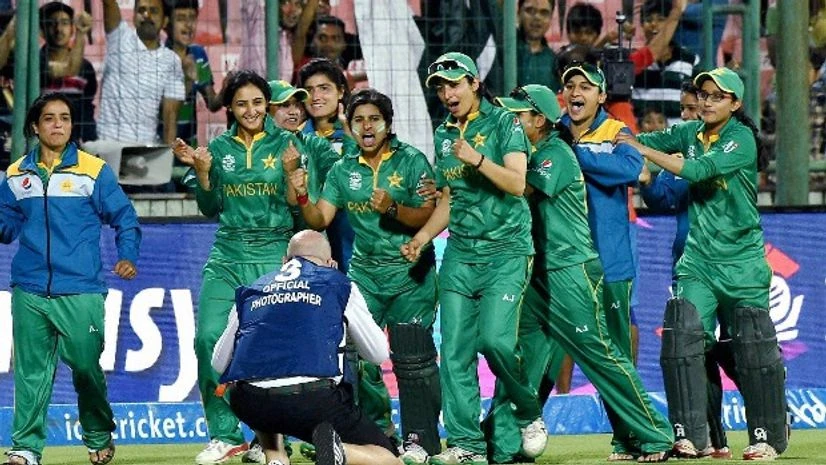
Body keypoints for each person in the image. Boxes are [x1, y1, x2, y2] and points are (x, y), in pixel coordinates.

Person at [484, 84, 673, 464]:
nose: (508, 121)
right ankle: (502, 443)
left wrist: (478, 165)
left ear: (539, 120)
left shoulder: (554, 154)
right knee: (520, 358)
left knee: (601, 355)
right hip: (536, 271)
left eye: (516, 115)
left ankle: (654, 433)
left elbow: (519, 190)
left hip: (570, 270)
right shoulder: (528, 151)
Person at [617, 67, 788, 461]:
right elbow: (646, 139)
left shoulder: (740, 139)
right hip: (697, 261)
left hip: (742, 263)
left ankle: (768, 436)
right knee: (681, 341)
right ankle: (691, 437)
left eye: (716, 96)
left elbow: (699, 170)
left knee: (752, 349)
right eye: (704, 95)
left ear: (736, 103)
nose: (707, 102)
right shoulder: (690, 133)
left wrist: (645, 153)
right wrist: (624, 140)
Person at [401, 52, 547, 465]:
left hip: (507, 250)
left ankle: (527, 410)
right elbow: (450, 196)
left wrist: (477, 159)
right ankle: (467, 445)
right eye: (441, 87)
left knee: (495, 342)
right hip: (462, 254)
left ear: (475, 83)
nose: (448, 93)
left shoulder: (505, 123)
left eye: (455, 83)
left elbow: (518, 183)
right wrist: (423, 236)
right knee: (455, 352)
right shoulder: (445, 133)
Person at [289, 88, 441, 464]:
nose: (366, 126)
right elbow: (320, 220)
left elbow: (428, 213)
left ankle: (421, 440)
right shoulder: (343, 169)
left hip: (410, 273)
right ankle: (378, 434)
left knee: (414, 360)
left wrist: (392, 209)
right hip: (366, 275)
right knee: (360, 360)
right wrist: (303, 196)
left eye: (374, 119)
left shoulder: (411, 161)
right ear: (350, 126)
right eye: (359, 120)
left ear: (388, 124)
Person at [0, 92, 141, 465]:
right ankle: (26, 448)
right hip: (29, 288)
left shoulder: (93, 170)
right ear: (35, 126)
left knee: (85, 365)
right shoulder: (17, 174)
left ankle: (96, 432)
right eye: (49, 118)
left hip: (80, 289)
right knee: (31, 375)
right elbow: (8, 227)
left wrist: (127, 255)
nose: (58, 124)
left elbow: (124, 218)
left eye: (64, 118)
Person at [173, 70, 300, 465]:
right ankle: (226, 435)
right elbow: (210, 208)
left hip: (273, 254)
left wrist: (294, 173)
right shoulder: (218, 148)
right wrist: (203, 172)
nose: (251, 110)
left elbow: (300, 207)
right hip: (227, 254)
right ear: (229, 107)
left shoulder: (289, 146)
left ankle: (271, 441)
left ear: (268, 105)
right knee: (208, 338)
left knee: (269, 351)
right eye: (242, 103)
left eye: (258, 102)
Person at [212, 230, 402, 465]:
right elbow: (377, 354)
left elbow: (218, 363)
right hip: (314, 401)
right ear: (331, 264)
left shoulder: (252, 289)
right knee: (389, 459)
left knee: (259, 374)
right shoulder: (339, 284)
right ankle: (340, 452)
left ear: (284, 262)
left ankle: (275, 456)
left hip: (250, 402)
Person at [639, 80, 735, 460]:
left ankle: (771, 411)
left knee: (737, 349)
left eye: (695, 108)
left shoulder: (727, 146)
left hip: (730, 264)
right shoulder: (683, 157)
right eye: (684, 108)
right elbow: (665, 198)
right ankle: (711, 437)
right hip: (689, 264)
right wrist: (647, 179)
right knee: (695, 349)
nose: (689, 116)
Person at [559, 63, 646, 460]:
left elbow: (632, 168)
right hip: (563, 259)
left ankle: (627, 434)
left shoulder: (617, 130)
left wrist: (576, 155)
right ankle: (534, 423)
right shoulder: (551, 130)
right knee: (552, 341)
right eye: (569, 86)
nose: (576, 92)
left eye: (585, 86)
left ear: (601, 97)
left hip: (609, 258)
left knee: (617, 353)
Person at [297, 58, 357, 273]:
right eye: (309, 90)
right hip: (310, 229)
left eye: (324, 88)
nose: (316, 97)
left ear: (341, 92)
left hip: (351, 230)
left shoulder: (359, 131)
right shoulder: (295, 138)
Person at [99, 0, 184, 145]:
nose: (147, 15)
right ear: (133, 16)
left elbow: (171, 118)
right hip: (107, 148)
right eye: (141, 10)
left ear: (165, 21)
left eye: (154, 11)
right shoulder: (119, 37)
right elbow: (108, 3)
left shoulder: (171, 61)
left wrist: (167, 158)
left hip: (144, 152)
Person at [632, 0, 699, 127]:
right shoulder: (634, 63)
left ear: (672, 24)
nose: (653, 24)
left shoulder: (690, 60)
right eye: (648, 20)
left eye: (661, 19)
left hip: (678, 141)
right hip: (641, 140)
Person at [38, 2, 97, 143]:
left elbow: (87, 107)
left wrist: (90, 143)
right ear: (42, 30)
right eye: (52, 23)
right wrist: (81, 33)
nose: (58, 29)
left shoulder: (86, 68)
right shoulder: (35, 63)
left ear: (71, 28)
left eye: (64, 23)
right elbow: (69, 69)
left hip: (75, 145)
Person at [516, 0, 560, 92]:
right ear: (519, 13)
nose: (537, 17)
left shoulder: (554, 61)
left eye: (544, 13)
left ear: (551, 18)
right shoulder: (502, 49)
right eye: (530, 11)